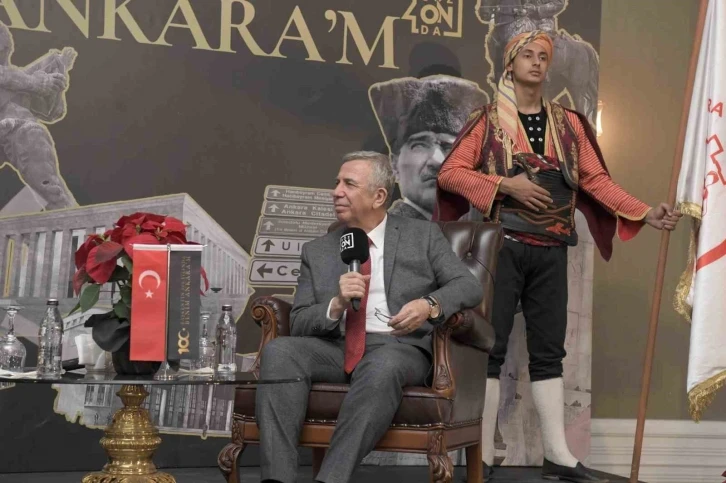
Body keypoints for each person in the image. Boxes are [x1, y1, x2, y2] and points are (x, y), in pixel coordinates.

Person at [434, 31, 681, 482]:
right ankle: (481, 455)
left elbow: (597, 181)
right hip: (501, 249)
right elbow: (451, 173)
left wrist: (645, 211)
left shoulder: (569, 124)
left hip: (551, 249)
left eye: (543, 57)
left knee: (550, 351)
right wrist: (505, 185)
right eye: (527, 55)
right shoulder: (486, 121)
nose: (536, 62)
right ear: (510, 64)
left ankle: (557, 455)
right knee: (490, 347)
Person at [256, 151, 483, 483]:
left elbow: (468, 286)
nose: (336, 191)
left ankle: (329, 480)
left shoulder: (422, 236)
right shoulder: (317, 251)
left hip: (398, 347)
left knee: (383, 364)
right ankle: (276, 479)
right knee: (279, 351)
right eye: (336, 183)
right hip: (335, 347)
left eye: (348, 184)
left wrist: (428, 305)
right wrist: (336, 304)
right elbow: (301, 321)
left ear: (379, 196)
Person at [369, 75, 488, 220]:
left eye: (449, 147)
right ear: (394, 164)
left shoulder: (483, 228)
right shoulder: (383, 230)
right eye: (419, 145)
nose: (437, 161)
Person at [0, 22, 77, 210]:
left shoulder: (13, 85)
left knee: (30, 133)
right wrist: (37, 82)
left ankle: (63, 210)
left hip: (13, 128)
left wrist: (57, 70)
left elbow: (52, 113)